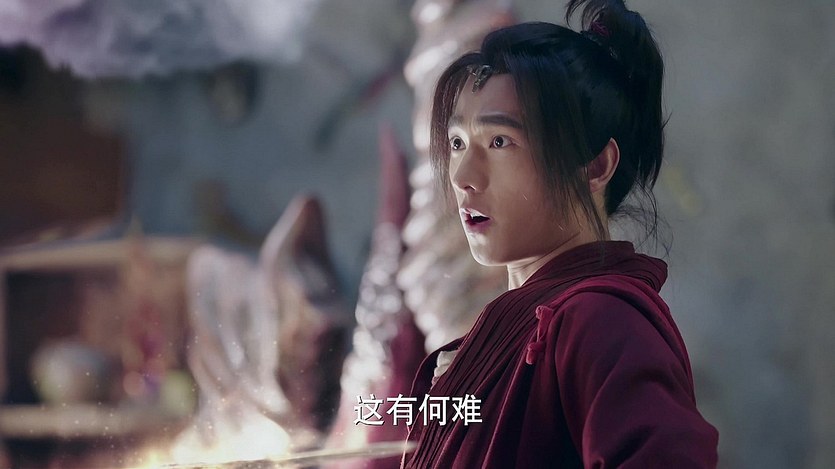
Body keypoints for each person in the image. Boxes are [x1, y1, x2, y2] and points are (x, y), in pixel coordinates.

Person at [401, 0, 719, 467]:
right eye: (457, 143)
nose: (463, 176)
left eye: (499, 141)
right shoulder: (522, 328)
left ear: (595, 166)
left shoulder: (600, 321)